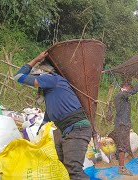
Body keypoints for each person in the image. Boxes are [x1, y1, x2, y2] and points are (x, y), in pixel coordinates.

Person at [14, 51, 92, 179]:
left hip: (77, 129)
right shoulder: (52, 91)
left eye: (37, 74)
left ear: (43, 73)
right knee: (62, 169)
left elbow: (18, 77)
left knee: (74, 170)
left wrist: (36, 59)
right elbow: (47, 118)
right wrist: (36, 140)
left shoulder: (51, 79)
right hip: (65, 130)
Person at [108, 78, 138, 176]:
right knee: (122, 146)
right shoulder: (121, 95)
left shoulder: (123, 97)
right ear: (125, 87)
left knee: (122, 145)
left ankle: (121, 165)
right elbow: (133, 92)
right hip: (122, 124)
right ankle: (121, 168)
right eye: (130, 87)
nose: (130, 89)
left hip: (123, 123)